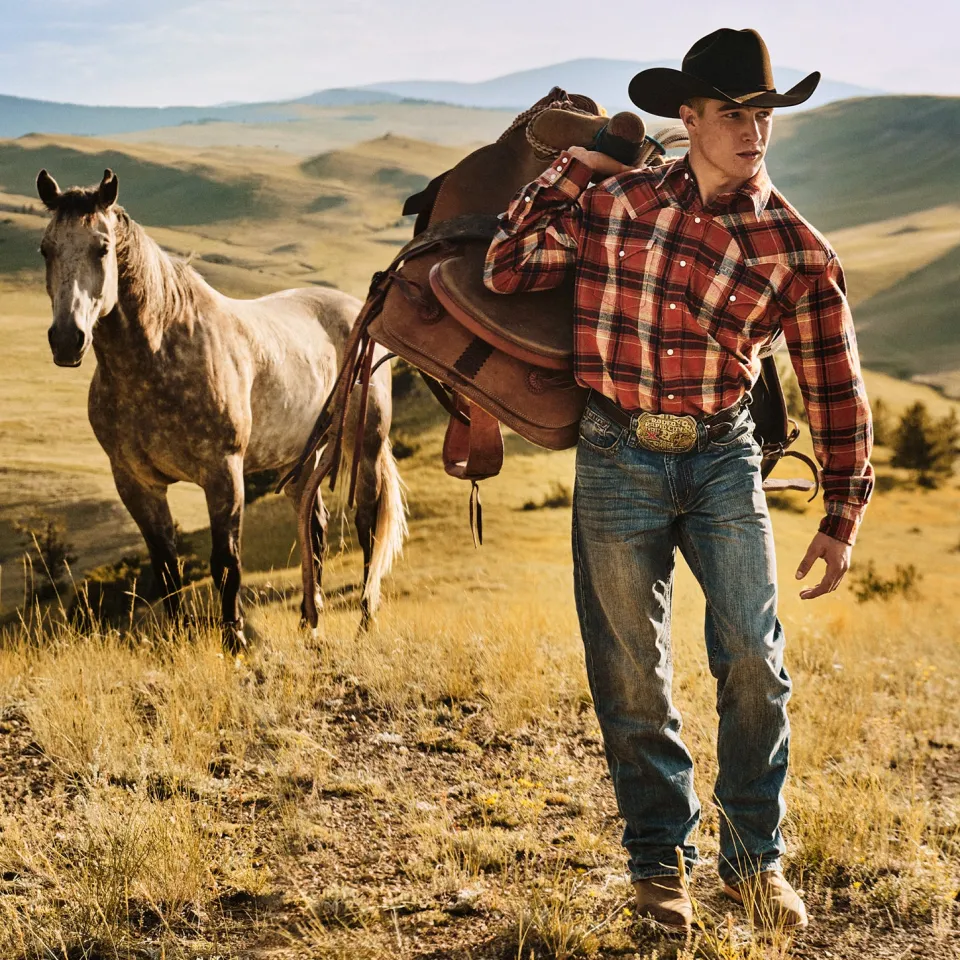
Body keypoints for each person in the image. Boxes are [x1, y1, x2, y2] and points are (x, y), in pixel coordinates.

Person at [484, 28, 874, 933]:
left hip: (723, 455)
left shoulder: (796, 247)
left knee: (754, 664)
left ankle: (752, 863)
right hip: (616, 453)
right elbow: (508, 265)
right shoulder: (612, 203)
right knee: (629, 676)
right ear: (688, 117)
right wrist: (577, 165)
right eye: (733, 113)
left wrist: (843, 513)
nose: (754, 131)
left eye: (765, 115)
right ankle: (659, 865)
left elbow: (835, 385)